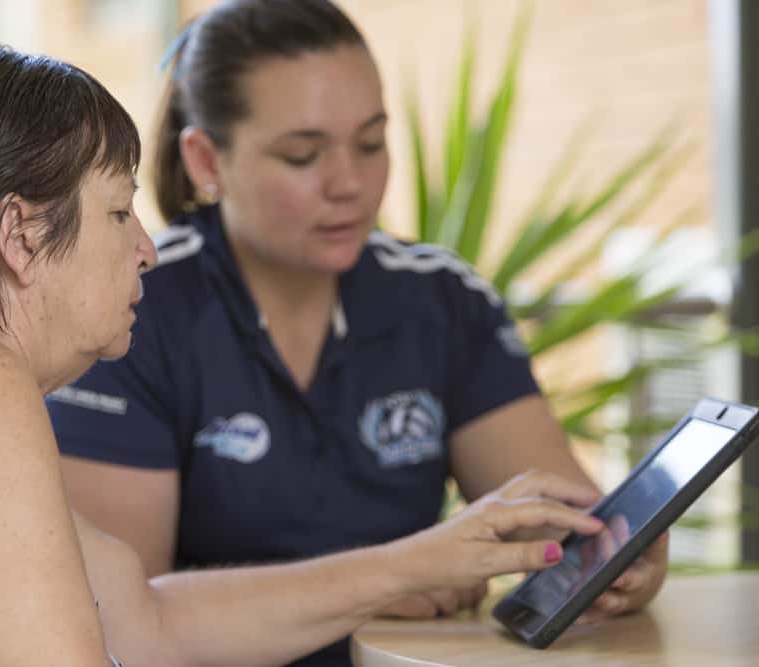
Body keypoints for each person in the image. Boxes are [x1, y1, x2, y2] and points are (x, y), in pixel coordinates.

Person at [0, 42, 605, 667]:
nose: (147, 252)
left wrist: (426, 557)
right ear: (19, 234)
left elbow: (152, 621)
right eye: (120, 213)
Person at [46, 1, 669, 665]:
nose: (349, 183)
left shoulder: (442, 298)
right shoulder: (131, 306)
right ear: (206, 161)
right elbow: (120, 623)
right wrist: (393, 575)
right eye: (302, 154)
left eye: (371, 143)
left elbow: (553, 516)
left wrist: (610, 557)